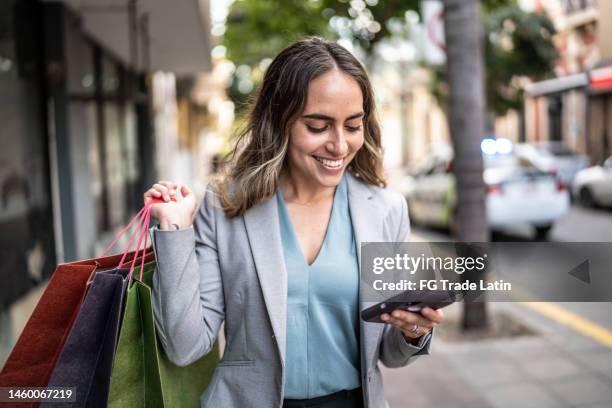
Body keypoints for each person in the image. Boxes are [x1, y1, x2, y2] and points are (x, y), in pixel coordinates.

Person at [144, 37, 444, 408]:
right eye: (318, 126)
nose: (339, 145)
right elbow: (183, 345)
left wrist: (414, 331)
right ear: (279, 120)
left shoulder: (386, 210)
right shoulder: (225, 206)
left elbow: (388, 355)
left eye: (352, 125)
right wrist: (175, 230)